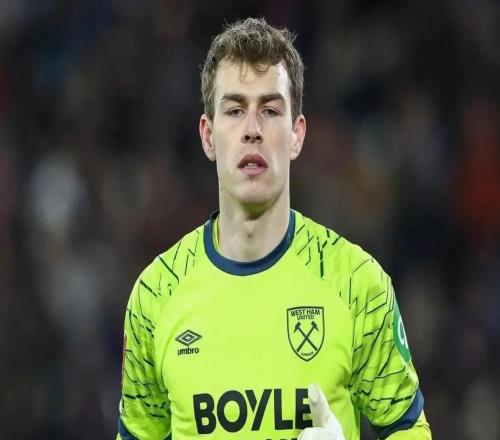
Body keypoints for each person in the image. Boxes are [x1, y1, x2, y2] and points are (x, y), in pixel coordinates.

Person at [116, 17, 432, 440]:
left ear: (296, 135)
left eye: (270, 110)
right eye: (234, 110)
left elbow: (411, 431)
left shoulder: (357, 284)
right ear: (208, 136)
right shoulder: (155, 296)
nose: (252, 130)